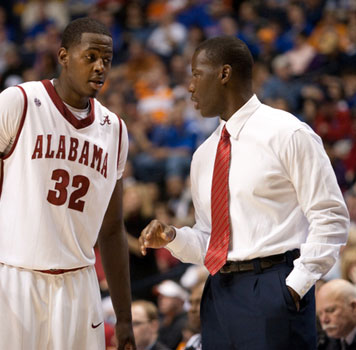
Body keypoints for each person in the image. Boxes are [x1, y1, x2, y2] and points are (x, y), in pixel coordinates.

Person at [139, 35, 349, 349]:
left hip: (275, 284)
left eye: (197, 74)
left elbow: (330, 215)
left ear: (224, 74)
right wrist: (172, 237)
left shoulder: (287, 132)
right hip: (219, 291)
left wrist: (296, 285)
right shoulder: (204, 154)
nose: (191, 87)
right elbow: (211, 241)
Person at [0, 17, 135, 350]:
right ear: (63, 56)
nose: (99, 67)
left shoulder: (115, 130)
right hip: (12, 278)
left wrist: (124, 318)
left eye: (106, 60)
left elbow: (112, 229)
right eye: (90, 57)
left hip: (79, 283)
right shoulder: (18, 102)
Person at [316, 279, 356, 350]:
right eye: (320, 314)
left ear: (353, 307)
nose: (324, 319)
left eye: (330, 310)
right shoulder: (325, 343)